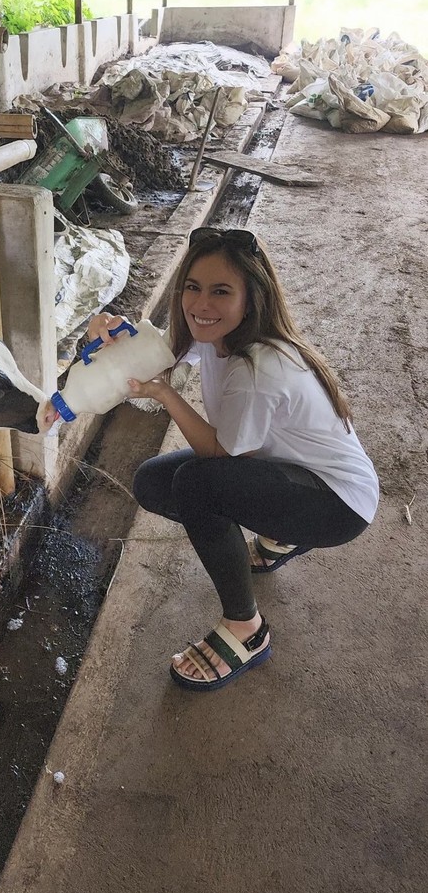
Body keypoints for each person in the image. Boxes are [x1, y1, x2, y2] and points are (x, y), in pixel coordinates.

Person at [88, 227, 379, 694]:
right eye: (193, 287)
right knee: (153, 483)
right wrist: (107, 328)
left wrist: (164, 393)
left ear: (252, 297)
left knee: (199, 486)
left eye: (221, 291)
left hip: (338, 505)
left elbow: (220, 454)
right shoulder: (217, 331)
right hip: (294, 475)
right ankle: (281, 531)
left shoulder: (257, 366)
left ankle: (247, 629)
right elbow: (156, 350)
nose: (201, 304)